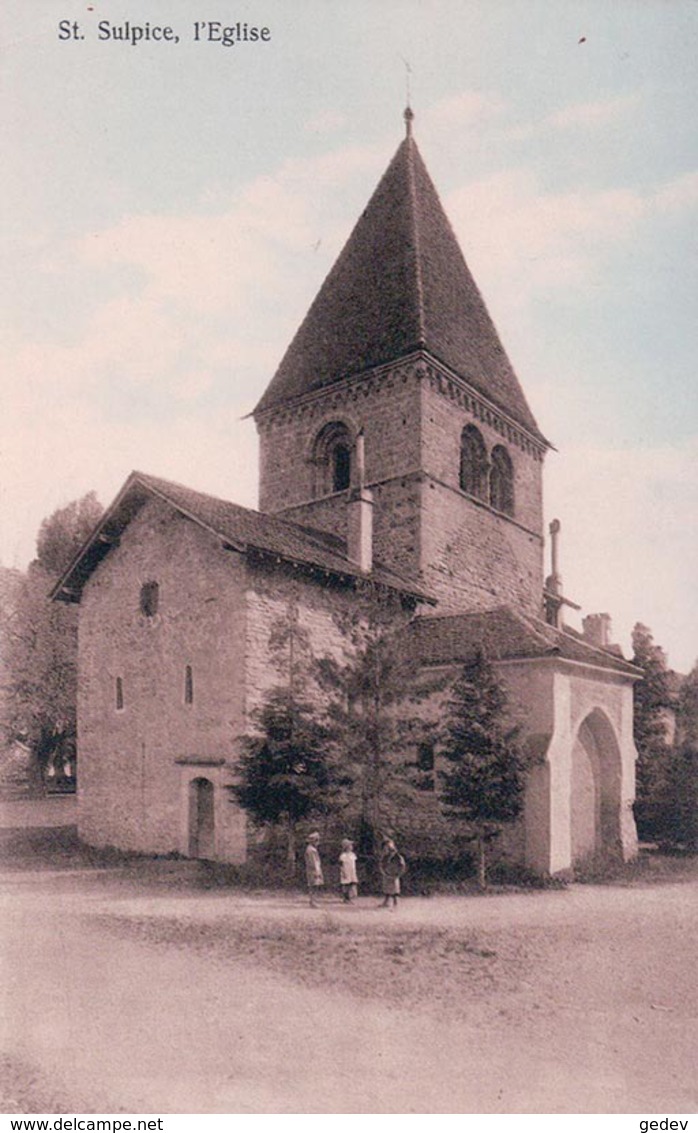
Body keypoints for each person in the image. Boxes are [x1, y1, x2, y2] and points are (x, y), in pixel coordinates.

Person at [379, 837, 405, 909]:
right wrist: (383, 872)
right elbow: (381, 864)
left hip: (394, 873)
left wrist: (399, 873)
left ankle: (396, 902)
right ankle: (386, 901)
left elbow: (402, 865)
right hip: (387, 873)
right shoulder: (385, 857)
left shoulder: (397, 857)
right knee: (386, 887)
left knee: (395, 888)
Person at [304, 831, 324, 907]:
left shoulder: (312, 849)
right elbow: (313, 862)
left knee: (315, 885)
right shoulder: (310, 850)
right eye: (317, 840)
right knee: (313, 885)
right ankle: (313, 901)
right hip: (313, 870)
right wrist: (316, 871)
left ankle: (314, 901)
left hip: (315, 869)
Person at [338, 838, 358, 903]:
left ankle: (350, 897)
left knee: (351, 884)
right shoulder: (343, 856)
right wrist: (343, 872)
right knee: (346, 885)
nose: (351, 847)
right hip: (346, 872)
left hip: (352, 872)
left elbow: (353, 864)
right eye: (350, 846)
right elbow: (341, 865)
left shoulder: (352, 855)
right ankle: (346, 898)